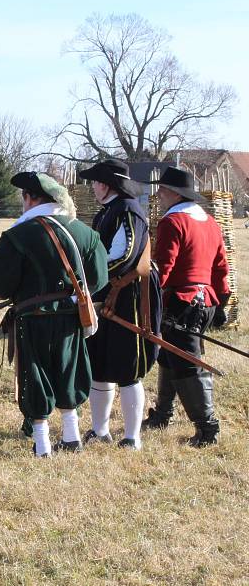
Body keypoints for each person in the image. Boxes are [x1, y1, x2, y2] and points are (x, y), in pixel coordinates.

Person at [0, 172, 108, 457]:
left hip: (33, 318)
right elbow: (99, 279)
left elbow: (1, 286)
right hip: (71, 318)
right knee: (69, 371)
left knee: (35, 375)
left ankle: (42, 445)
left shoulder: (17, 235)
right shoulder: (84, 233)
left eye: (23, 199)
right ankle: (72, 436)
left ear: (30, 198)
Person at [142, 167, 230, 447]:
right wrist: (223, 300)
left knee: (188, 366)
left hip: (182, 303)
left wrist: (150, 297)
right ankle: (163, 414)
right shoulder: (210, 222)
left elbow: (163, 268)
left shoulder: (173, 222)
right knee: (168, 357)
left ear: (174, 193)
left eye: (162, 190)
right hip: (205, 303)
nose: (159, 195)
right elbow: (221, 268)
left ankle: (208, 429)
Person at [78, 160, 161, 450]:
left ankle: (132, 436)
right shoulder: (110, 211)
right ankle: (100, 430)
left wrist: (90, 277)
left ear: (105, 185)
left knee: (127, 369)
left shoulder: (128, 210)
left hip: (128, 299)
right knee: (101, 364)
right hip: (106, 295)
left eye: (95, 183)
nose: (93, 188)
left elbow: (124, 255)